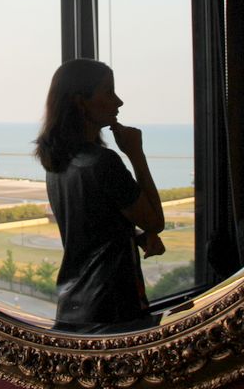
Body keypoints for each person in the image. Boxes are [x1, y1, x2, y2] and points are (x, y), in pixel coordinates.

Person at [34, 58, 166, 332]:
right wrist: (136, 153)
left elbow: (90, 227)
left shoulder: (58, 161)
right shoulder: (103, 162)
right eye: (108, 92)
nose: (118, 102)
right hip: (112, 308)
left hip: (74, 307)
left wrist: (133, 237)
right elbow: (155, 221)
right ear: (81, 102)